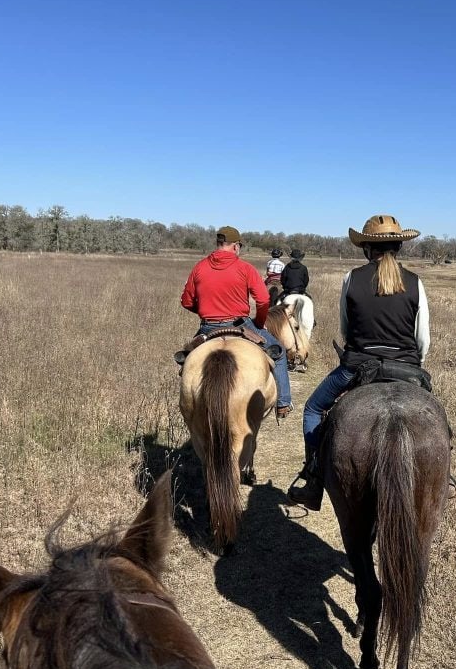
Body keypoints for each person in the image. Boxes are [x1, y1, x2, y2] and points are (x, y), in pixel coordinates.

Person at [288, 214, 431, 510]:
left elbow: (345, 327)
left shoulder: (352, 278)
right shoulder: (416, 282)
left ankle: (313, 478)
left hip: (357, 365)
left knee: (313, 408)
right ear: (400, 247)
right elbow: (423, 340)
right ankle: (447, 475)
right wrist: (414, 366)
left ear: (366, 248)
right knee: (436, 417)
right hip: (407, 367)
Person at [180, 226, 292, 417]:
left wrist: (206, 310)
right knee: (279, 353)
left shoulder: (199, 267)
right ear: (235, 246)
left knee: (185, 360)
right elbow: (264, 300)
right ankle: (283, 403)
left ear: (218, 244)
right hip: (240, 324)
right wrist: (259, 322)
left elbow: (186, 301)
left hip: (208, 326)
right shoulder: (245, 268)